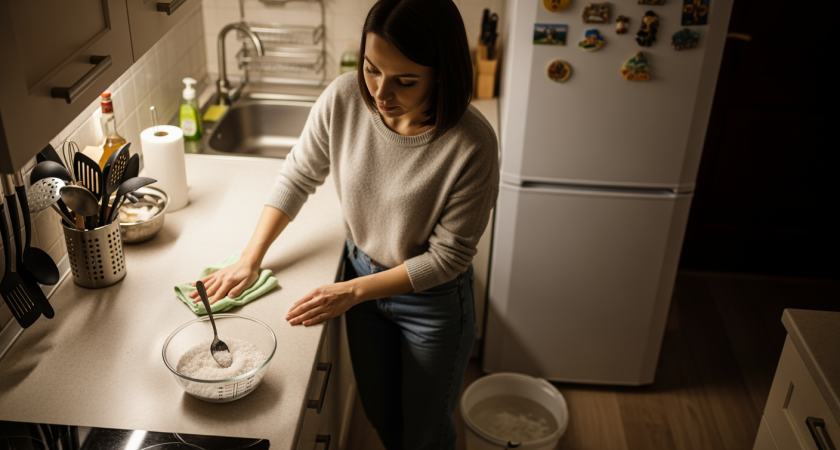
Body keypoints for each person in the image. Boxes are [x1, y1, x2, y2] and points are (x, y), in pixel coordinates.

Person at [189, 0, 499, 447]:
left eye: (405, 80)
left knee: (426, 433)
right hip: (361, 283)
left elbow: (448, 259)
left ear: (441, 74)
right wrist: (249, 258)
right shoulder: (342, 99)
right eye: (372, 69)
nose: (380, 93)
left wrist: (351, 292)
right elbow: (298, 174)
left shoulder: (472, 144)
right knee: (381, 416)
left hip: (432, 304)